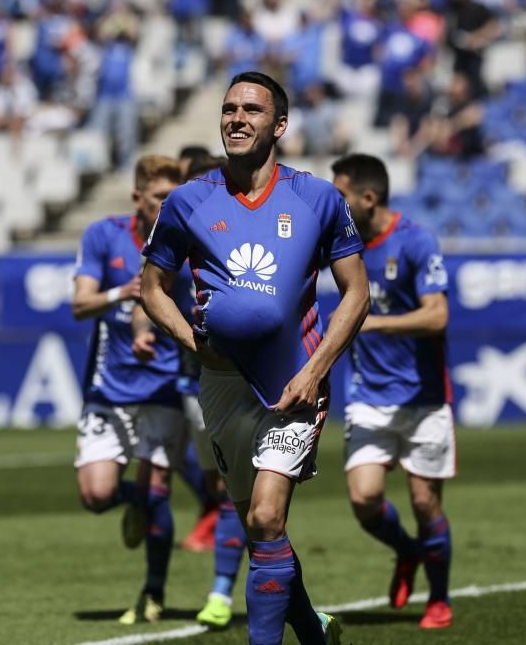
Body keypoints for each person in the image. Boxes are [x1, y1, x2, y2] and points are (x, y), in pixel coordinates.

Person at [140, 71, 369, 645]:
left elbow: (357, 292)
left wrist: (315, 370)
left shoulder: (316, 196)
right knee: (260, 532)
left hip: (293, 384)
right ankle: (313, 632)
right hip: (220, 387)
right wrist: (191, 343)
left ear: (280, 125)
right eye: (228, 109)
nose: (236, 119)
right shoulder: (188, 200)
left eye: (251, 110)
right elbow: (151, 287)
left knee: (268, 518)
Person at [331, 153, 455, 630]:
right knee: (364, 500)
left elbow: (437, 315)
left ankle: (439, 599)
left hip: (423, 399)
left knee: (425, 503)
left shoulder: (416, 241)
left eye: (341, 195)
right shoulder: (341, 244)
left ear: (368, 197)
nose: (334, 205)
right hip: (367, 396)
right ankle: (408, 552)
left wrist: (373, 321)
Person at [71, 154, 192, 625]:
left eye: (173, 198)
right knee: (96, 495)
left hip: (164, 385)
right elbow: (81, 305)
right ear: (137, 198)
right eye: (160, 197)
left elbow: (155, 291)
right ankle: (136, 502)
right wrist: (117, 295)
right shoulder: (103, 235)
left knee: (159, 489)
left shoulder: (187, 236)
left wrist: (146, 329)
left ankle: (154, 591)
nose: (167, 206)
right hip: (109, 387)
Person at [133, 152, 247, 628]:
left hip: (251, 377)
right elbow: (151, 287)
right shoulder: (179, 229)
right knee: (219, 487)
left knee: (241, 492)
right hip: (193, 380)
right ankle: (165, 586)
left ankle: (221, 591)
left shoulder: (249, 227)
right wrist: (149, 327)